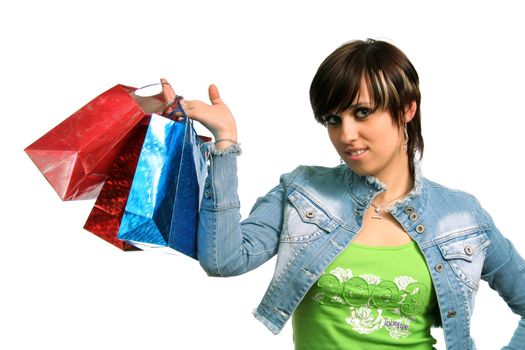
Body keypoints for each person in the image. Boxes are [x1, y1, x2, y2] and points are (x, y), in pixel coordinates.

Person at [161, 39, 525, 349]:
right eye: (333, 120)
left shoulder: (460, 217)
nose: (346, 135)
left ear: (407, 110)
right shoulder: (303, 193)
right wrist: (225, 142)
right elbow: (224, 260)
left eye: (362, 112)